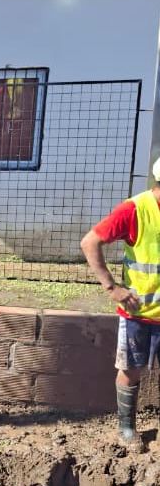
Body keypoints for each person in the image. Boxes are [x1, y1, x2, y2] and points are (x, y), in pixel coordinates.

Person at [81, 158, 160, 449]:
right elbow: (90, 242)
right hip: (139, 312)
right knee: (130, 370)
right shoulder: (135, 209)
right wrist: (112, 287)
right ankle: (127, 429)